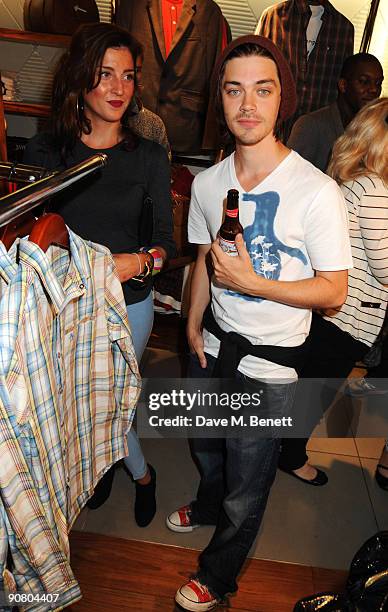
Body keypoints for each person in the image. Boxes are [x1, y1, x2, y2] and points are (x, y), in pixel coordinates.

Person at [166, 35, 352, 611]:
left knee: (249, 487)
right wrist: (192, 327)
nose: (248, 104)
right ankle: (206, 502)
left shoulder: (317, 192)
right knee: (206, 446)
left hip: (270, 366)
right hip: (212, 345)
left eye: (263, 90)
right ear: (219, 100)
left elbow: (334, 292)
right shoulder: (206, 183)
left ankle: (220, 576)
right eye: (234, 89)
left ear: (282, 100)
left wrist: (254, 285)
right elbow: (201, 259)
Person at [24, 22, 175, 526]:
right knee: (72, 401)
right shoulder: (48, 153)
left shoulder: (148, 156)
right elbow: (32, 237)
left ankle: (142, 474)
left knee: (111, 401)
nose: (118, 88)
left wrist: (139, 261)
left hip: (128, 304)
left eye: (128, 76)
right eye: (104, 74)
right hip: (62, 304)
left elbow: (167, 246)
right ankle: (105, 469)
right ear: (79, 79)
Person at [279, 98, 388, 485]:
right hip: (350, 314)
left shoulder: (355, 180)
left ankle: (280, 448)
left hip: (333, 309)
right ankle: (290, 456)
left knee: (306, 386)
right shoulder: (376, 189)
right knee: (314, 394)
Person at [287, 53, 384, 171]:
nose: (374, 89)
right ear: (343, 85)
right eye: (364, 81)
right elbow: (289, 176)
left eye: (378, 83)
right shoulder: (311, 125)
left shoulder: (375, 131)